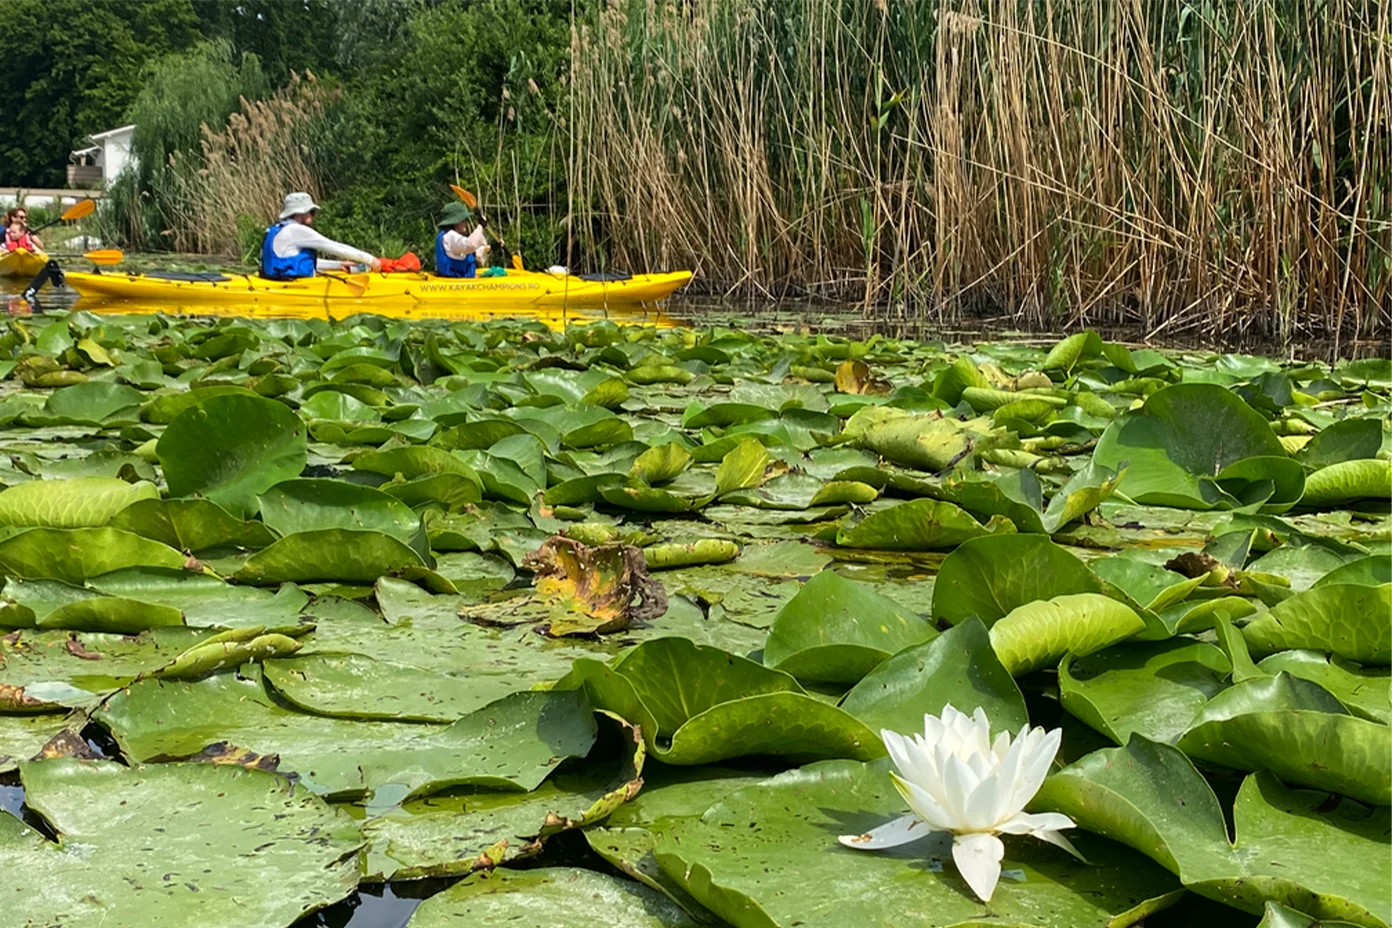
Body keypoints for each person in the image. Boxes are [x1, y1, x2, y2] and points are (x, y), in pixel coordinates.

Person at [261, 192, 381, 280]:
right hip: (293, 287)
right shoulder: (295, 230)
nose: (313, 216)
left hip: (275, 282)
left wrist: (338, 266)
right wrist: (371, 260)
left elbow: (298, 263)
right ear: (301, 212)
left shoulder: (275, 229)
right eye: (312, 212)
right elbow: (334, 247)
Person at [434, 201, 491, 278]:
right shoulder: (450, 236)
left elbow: (471, 254)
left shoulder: (448, 236)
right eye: (463, 220)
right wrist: (481, 226)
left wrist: (491, 247)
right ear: (455, 222)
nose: (466, 223)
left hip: (457, 280)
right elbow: (471, 245)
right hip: (454, 283)